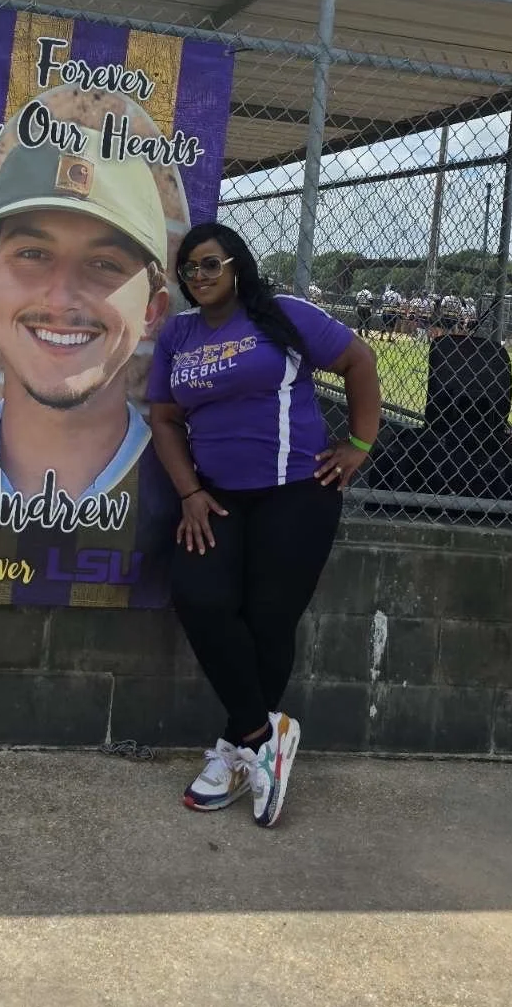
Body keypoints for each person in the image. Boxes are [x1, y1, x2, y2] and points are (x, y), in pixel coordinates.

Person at [148, 223, 381, 829]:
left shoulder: (282, 314)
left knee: (269, 618)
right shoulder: (178, 335)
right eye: (188, 269)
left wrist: (359, 442)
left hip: (297, 494)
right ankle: (262, 736)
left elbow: (359, 360)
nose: (197, 277)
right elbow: (166, 420)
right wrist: (190, 492)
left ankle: (233, 752)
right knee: (197, 596)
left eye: (208, 264)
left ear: (236, 265)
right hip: (217, 498)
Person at [0, 127, 170, 502]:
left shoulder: (180, 477)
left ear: (151, 312)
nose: (60, 300)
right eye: (32, 254)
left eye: (105, 264)